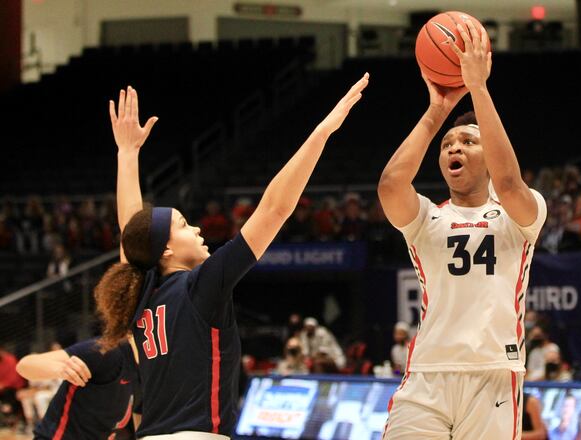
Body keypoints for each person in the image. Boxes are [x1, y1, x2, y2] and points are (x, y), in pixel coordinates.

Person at [94, 77, 367, 439]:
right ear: (167, 250)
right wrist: (323, 131)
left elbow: (133, 234)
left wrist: (126, 154)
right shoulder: (199, 285)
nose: (198, 230)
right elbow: (275, 208)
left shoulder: (143, 296)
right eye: (184, 225)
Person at [379, 20, 547, 439]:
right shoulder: (425, 219)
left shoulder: (520, 215)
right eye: (447, 144)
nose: (454, 146)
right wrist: (437, 112)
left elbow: (509, 184)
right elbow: (390, 186)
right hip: (426, 376)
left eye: (468, 142)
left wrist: (478, 88)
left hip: (493, 372)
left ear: (489, 156)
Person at [15, 338, 138, 439]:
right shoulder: (105, 350)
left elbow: (141, 422)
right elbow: (24, 365)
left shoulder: (148, 370)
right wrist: (62, 369)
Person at [15, 343, 62, 435]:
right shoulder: (31, 370)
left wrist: (31, 392)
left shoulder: (47, 365)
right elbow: (33, 387)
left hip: (54, 391)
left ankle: (45, 425)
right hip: (42, 391)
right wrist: (27, 392)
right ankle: (30, 424)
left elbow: (47, 386)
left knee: (39, 397)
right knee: (26, 398)